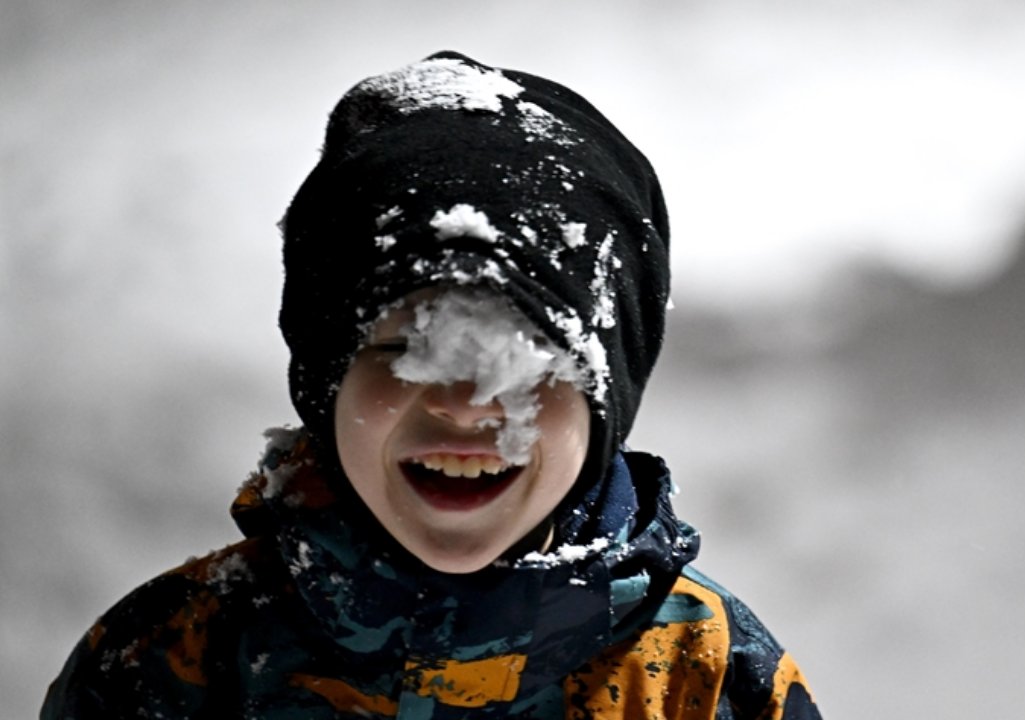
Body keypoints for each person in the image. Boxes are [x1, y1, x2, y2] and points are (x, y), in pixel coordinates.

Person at [41, 51, 821, 719]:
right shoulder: (168, 663)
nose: (467, 403)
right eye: (408, 348)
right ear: (324, 378)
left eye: (528, 357)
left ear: (606, 396)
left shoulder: (703, 675)